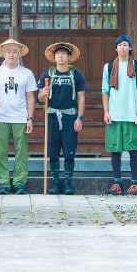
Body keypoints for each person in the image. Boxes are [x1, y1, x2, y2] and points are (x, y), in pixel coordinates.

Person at [0, 38, 37, 194]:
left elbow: (30, 97)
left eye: (15, 51)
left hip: (20, 117)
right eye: (8, 51)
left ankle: (19, 182)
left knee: (21, 151)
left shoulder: (26, 73)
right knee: (0, 151)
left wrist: (30, 118)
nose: (11, 54)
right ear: (3, 54)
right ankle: (3, 183)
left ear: (19, 54)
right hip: (1, 117)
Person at [37, 41, 87, 195]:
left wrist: (79, 117)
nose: (60, 56)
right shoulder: (47, 75)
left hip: (70, 116)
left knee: (69, 150)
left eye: (64, 53)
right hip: (51, 115)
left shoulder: (76, 75)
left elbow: (82, 98)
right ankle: (55, 182)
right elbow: (39, 98)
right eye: (58, 53)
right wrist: (43, 93)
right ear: (54, 57)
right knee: (52, 150)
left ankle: (67, 183)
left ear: (69, 57)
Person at [101, 33, 137, 196]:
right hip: (114, 114)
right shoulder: (108, 67)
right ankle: (117, 182)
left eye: (125, 44)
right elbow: (105, 91)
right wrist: (106, 111)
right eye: (119, 45)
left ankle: (134, 183)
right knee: (115, 150)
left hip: (132, 114)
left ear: (130, 47)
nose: (122, 47)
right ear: (116, 48)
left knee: (133, 150)